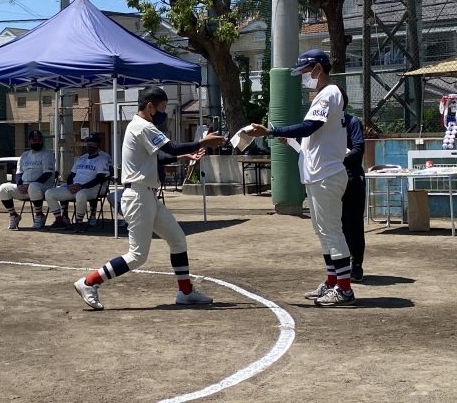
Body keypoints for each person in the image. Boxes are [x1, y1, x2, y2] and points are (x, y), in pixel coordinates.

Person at [73, 87, 226, 310]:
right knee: (137, 256)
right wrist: (202, 142)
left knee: (177, 240)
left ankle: (185, 292)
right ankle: (88, 283)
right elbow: (171, 147)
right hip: (138, 197)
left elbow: (157, 157)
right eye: (162, 108)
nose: (163, 113)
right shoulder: (143, 126)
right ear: (150, 106)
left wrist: (184, 155)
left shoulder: (139, 126)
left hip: (146, 196)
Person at [246, 49, 356, 306]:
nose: (304, 76)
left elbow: (310, 127)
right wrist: (292, 140)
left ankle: (345, 290)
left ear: (318, 68)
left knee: (332, 231)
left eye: (305, 71)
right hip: (320, 174)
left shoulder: (329, 92)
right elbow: (313, 138)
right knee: (323, 231)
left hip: (327, 174)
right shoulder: (325, 94)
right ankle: (332, 281)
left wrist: (271, 132)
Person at [106, 149, 205, 227]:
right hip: (131, 192)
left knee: (175, 236)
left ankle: (132, 218)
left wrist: (186, 154)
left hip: (147, 192)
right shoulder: (135, 158)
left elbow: (164, 161)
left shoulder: (153, 159)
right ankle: (129, 218)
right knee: (112, 197)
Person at [45, 133, 111, 233]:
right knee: (49, 193)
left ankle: (79, 222)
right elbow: (71, 175)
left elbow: (99, 179)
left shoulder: (102, 160)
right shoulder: (81, 159)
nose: (89, 146)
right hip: (75, 188)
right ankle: (59, 220)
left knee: (81, 194)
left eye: (92, 144)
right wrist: (69, 186)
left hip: (91, 189)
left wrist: (81, 186)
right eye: (88, 144)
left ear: (98, 146)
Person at [0, 130, 55, 230]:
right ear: (29, 141)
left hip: (43, 187)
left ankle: (39, 215)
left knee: (33, 186)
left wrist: (31, 185)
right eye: (34, 139)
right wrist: (19, 185)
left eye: (39, 139)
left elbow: (48, 173)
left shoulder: (47, 154)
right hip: (25, 188)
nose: (36, 141)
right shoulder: (24, 155)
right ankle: (13, 215)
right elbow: (19, 173)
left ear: (42, 140)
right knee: (3, 188)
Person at [342, 112, 366, 283]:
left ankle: (356, 265)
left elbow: (358, 150)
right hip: (330, 178)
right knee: (336, 224)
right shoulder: (322, 123)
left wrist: (340, 156)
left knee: (353, 223)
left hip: (352, 177)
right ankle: (340, 265)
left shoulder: (352, 122)